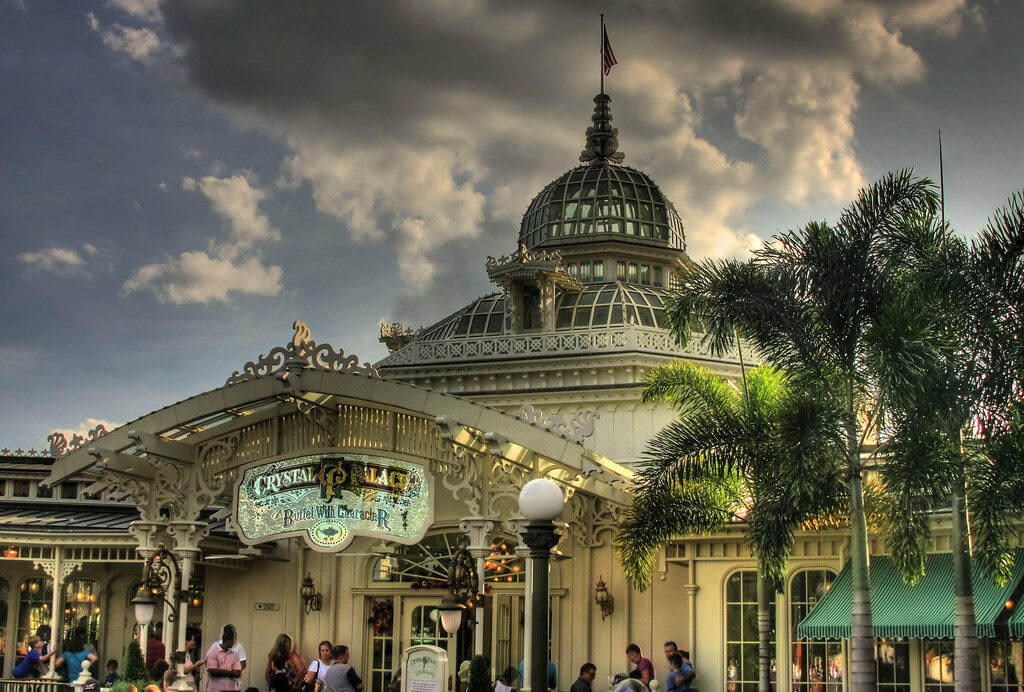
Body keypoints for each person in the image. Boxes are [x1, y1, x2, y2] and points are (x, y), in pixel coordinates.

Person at [207, 625, 244, 692]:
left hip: (230, 689)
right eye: (233, 640)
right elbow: (213, 671)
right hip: (215, 689)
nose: (233, 643)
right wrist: (231, 672)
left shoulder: (234, 654)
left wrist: (221, 671)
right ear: (228, 641)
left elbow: (238, 673)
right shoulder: (214, 651)